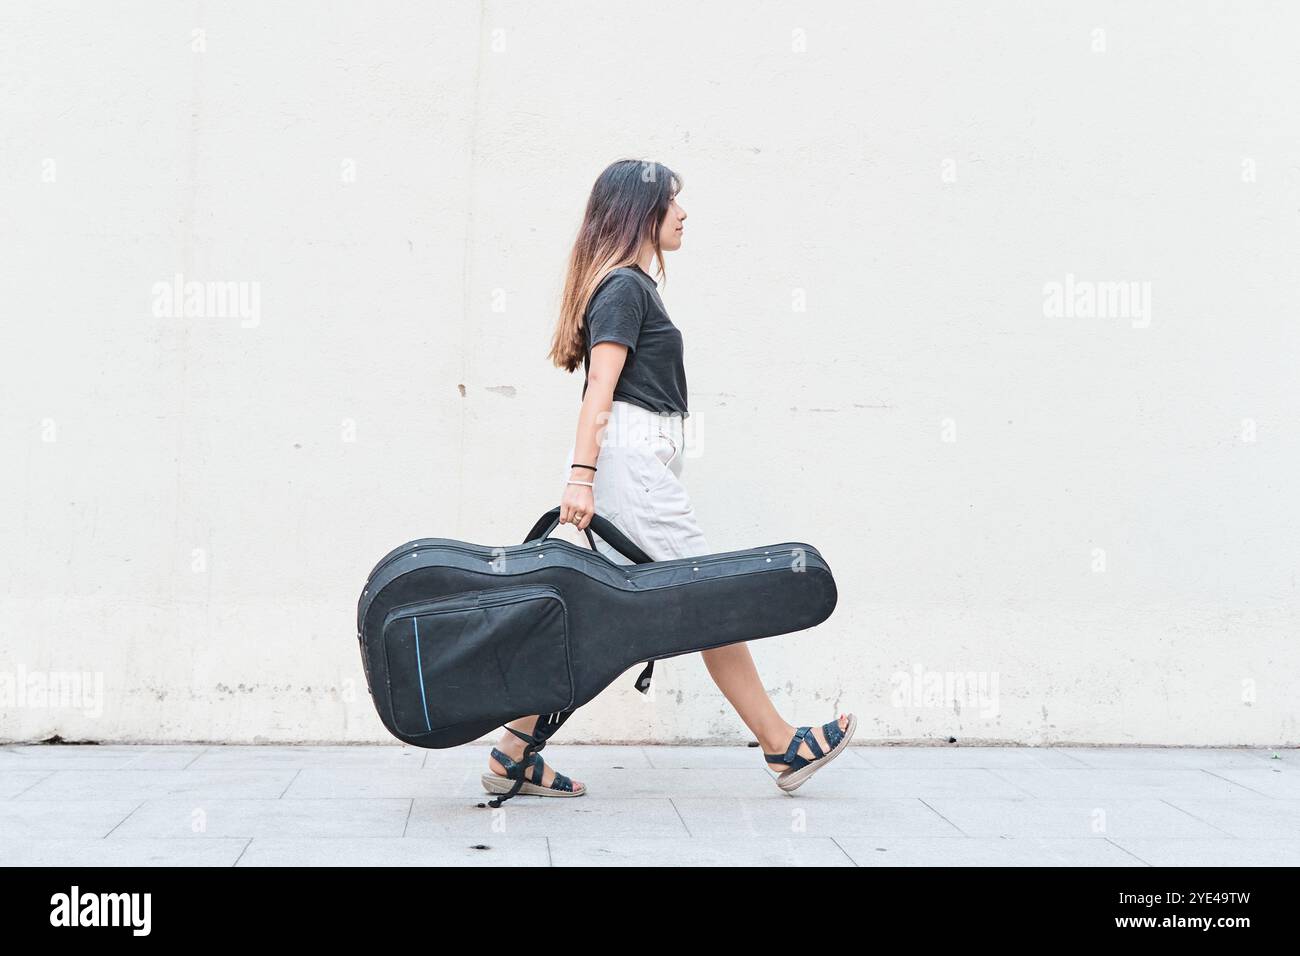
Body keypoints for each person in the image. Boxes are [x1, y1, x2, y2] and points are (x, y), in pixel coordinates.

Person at [481, 159, 855, 797]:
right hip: (627, 465)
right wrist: (580, 477)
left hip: (630, 463)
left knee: (583, 617)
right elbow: (600, 386)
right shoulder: (624, 287)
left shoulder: (629, 287)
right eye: (672, 203)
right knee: (711, 599)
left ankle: (513, 753)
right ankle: (780, 745)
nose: (683, 214)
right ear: (639, 213)